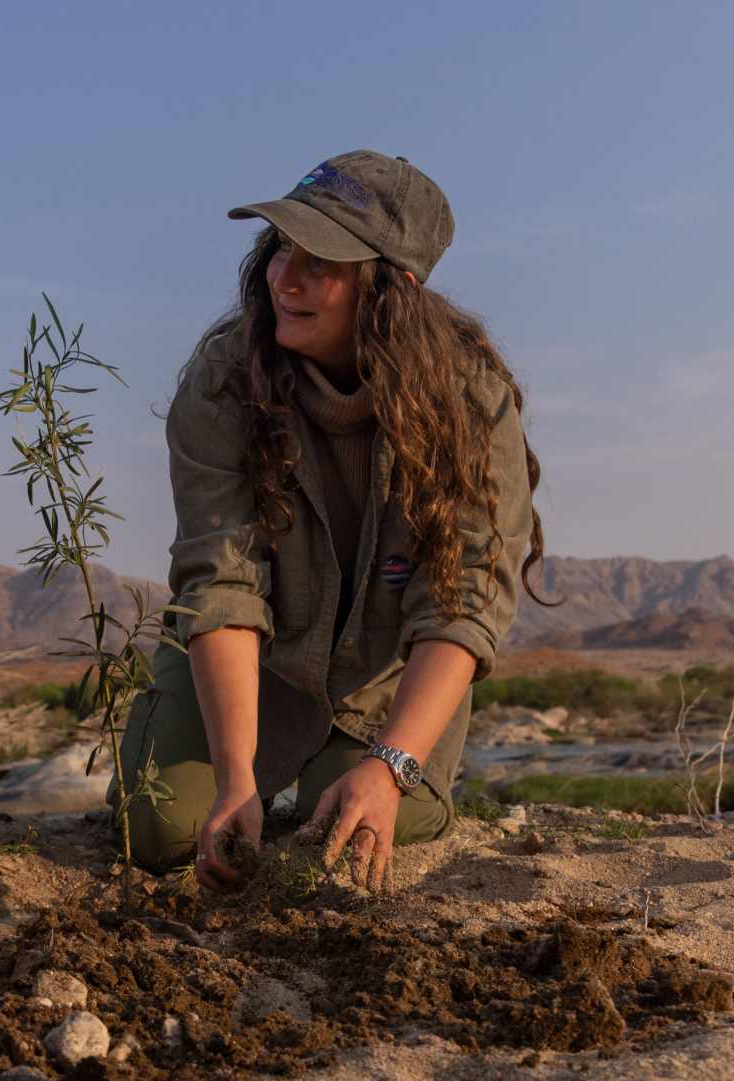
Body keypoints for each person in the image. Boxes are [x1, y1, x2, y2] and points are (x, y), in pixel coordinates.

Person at [117, 150, 547, 893]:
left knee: (344, 839)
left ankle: (386, 767)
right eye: (283, 247)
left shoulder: (474, 403)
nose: (286, 278)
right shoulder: (223, 380)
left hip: (388, 678)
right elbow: (220, 583)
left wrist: (391, 766)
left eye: (323, 264)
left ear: (392, 291)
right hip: (260, 663)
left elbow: (465, 603)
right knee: (162, 829)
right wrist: (234, 778)